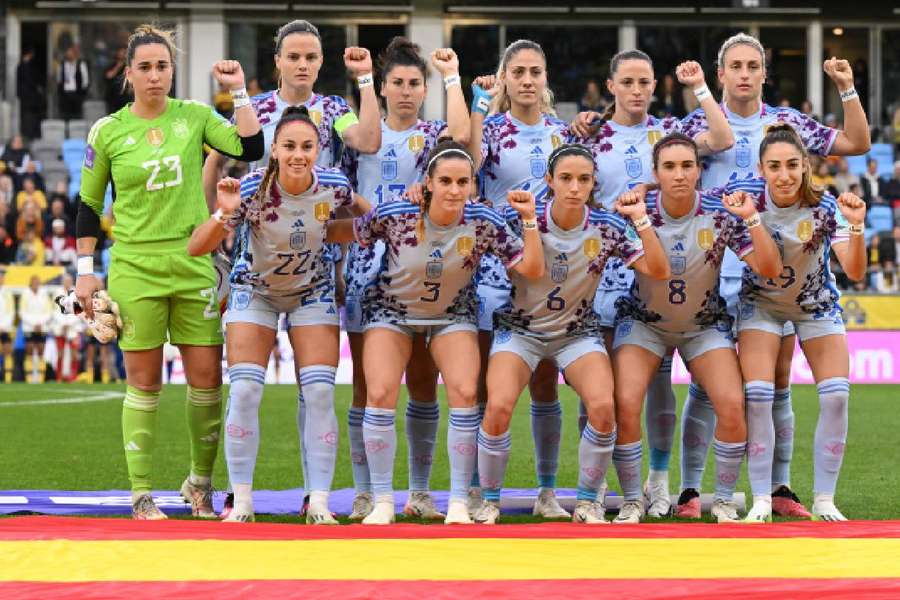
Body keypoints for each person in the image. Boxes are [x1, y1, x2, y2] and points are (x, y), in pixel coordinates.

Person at [676, 33, 871, 519]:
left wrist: (847, 89)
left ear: (764, 73)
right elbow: (666, 168)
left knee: (775, 382)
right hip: (710, 264)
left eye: (752, 66)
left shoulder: (789, 125)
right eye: (735, 66)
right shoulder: (697, 123)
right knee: (707, 382)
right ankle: (684, 488)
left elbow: (858, 143)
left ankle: (778, 488)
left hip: (774, 269)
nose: (744, 73)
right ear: (720, 74)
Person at [75, 24, 263, 520]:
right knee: (144, 382)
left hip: (195, 260)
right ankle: (141, 493)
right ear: (129, 73)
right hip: (135, 266)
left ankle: (199, 485)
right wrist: (84, 272)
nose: (155, 76)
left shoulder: (196, 116)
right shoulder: (108, 130)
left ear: (172, 70)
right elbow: (89, 206)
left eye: (163, 66)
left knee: (205, 379)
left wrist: (239, 89)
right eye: (145, 67)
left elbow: (251, 148)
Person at [202, 18, 382, 519]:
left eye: (311, 58)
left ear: (321, 63)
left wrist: (365, 79)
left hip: (316, 262)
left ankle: (317, 499)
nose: (302, 65)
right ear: (277, 61)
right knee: (244, 388)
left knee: (319, 390)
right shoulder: (254, 110)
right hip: (257, 263)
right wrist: (219, 225)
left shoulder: (331, 109)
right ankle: (241, 499)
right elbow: (215, 163)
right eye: (293, 57)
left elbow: (368, 141)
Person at [568, 50, 734, 517]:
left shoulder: (668, 134)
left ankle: (657, 483)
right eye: (628, 82)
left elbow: (721, 136)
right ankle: (595, 488)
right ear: (611, 85)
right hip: (599, 275)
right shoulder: (592, 136)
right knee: (599, 392)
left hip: (658, 273)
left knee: (659, 388)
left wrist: (699, 89)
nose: (637, 90)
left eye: (645, 82)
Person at [475, 144, 668, 525]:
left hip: (577, 332)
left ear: (594, 182)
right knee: (497, 407)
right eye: (565, 178)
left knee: (603, 408)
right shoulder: (516, 219)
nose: (575, 187)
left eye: (584, 179)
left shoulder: (607, 226)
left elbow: (658, 270)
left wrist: (642, 220)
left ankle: (585, 503)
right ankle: (489, 501)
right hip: (520, 329)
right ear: (549, 181)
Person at [355, 140, 543, 525]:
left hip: (452, 313)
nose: (455, 190)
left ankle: (458, 502)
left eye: (463, 182)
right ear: (428, 183)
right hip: (391, 310)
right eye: (446, 181)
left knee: (465, 392)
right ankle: (382, 501)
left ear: (473, 184)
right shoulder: (396, 212)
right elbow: (354, 232)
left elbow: (531, 269)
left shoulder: (483, 221)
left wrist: (529, 221)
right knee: (379, 392)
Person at [611, 133, 781, 524]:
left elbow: (769, 267)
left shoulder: (720, 211)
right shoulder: (635, 210)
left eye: (687, 165)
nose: (679, 174)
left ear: (699, 170)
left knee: (733, 405)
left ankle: (722, 501)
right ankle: (635, 500)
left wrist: (752, 218)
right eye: (669, 167)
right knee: (625, 403)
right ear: (655, 174)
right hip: (645, 323)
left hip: (703, 325)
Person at [341, 37, 469, 520]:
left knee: (422, 382)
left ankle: (418, 492)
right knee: (367, 386)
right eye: (398, 82)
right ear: (384, 86)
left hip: (424, 268)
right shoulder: (358, 136)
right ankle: (365, 491)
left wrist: (453, 77)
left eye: (416, 83)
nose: (407, 91)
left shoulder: (434, 135)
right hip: (366, 267)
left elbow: (461, 134)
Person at [726, 124, 866, 522]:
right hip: (761, 305)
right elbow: (765, 267)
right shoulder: (744, 203)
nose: (784, 175)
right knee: (758, 397)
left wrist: (856, 225)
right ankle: (761, 501)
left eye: (792, 165)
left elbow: (854, 269)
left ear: (806, 165)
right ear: (761, 169)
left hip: (815, 304)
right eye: (775, 166)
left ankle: (825, 500)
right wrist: (752, 218)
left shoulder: (825, 206)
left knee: (837, 396)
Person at [466, 39, 580, 519]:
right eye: (519, 72)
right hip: (496, 270)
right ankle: (476, 489)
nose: (528, 80)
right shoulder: (490, 130)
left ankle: (547, 491)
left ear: (545, 77)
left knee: (546, 383)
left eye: (536, 71)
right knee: (490, 386)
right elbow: (468, 165)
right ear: (505, 78)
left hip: (550, 274)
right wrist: (475, 105)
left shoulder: (563, 135)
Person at [19, 275, 54, 383]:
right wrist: (33, 324)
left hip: (42, 326)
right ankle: (29, 379)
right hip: (29, 327)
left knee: (41, 351)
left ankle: (40, 378)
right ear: (30, 283)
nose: (35, 284)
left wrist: (40, 323)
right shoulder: (25, 294)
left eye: (37, 282)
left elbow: (49, 311)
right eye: (34, 282)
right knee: (29, 350)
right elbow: (22, 312)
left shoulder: (44, 294)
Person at [17, 47, 45, 140]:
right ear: (29, 54)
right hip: (30, 97)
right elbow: (33, 80)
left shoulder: (21, 66)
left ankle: (29, 134)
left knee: (29, 116)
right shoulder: (28, 66)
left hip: (27, 97)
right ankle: (31, 134)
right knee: (30, 116)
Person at [57, 45, 90, 120]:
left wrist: (82, 92)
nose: (68, 55)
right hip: (65, 93)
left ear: (75, 54)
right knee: (65, 114)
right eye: (67, 53)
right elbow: (59, 79)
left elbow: (85, 79)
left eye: (70, 53)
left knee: (77, 114)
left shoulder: (81, 64)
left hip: (76, 93)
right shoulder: (62, 64)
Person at [104, 47, 131, 114]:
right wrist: (118, 67)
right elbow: (108, 76)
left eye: (125, 52)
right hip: (112, 96)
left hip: (125, 96)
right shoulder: (112, 65)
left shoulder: (129, 66)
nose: (123, 54)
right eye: (121, 52)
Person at [0, 269, 14, 382]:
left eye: (2, 276)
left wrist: (3, 326)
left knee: (7, 350)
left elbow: (11, 312)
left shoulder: (7, 293)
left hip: (4, 327)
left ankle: (7, 378)